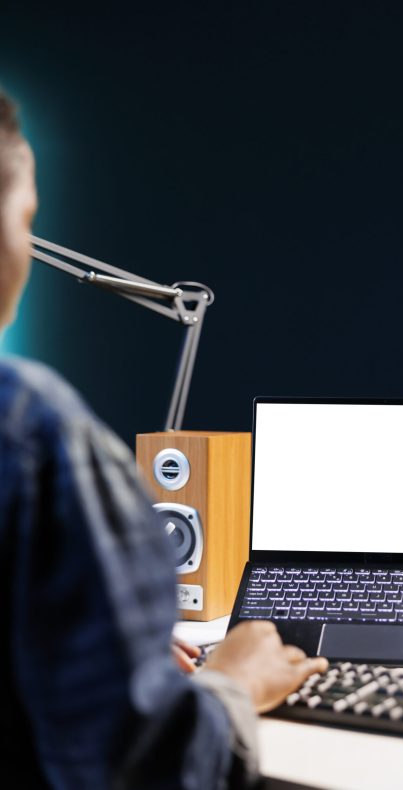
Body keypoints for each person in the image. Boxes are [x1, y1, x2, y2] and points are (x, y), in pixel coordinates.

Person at [0, 89, 328, 789]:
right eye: (26, 215)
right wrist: (235, 681)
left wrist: (106, 647)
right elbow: (149, 765)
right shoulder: (29, 428)